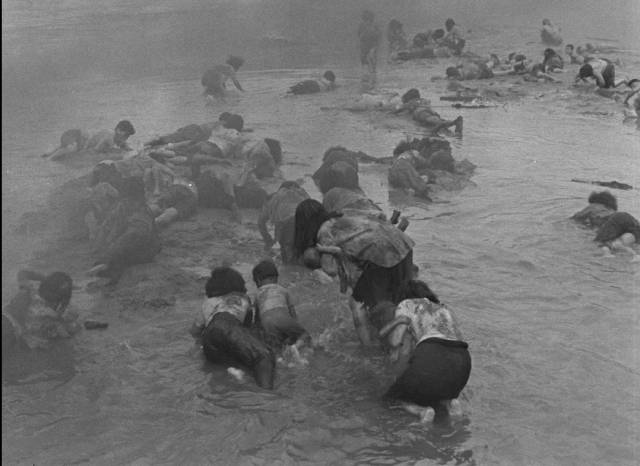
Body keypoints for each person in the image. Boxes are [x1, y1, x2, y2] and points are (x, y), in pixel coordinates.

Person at [293, 199, 415, 346]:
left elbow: (330, 270)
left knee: (358, 303)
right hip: (403, 244)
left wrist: (321, 256)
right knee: (398, 296)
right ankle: (412, 331)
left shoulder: (324, 232)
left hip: (383, 254)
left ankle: (369, 346)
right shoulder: (342, 216)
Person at [378, 298, 471, 422]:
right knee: (440, 391)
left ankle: (421, 411)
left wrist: (397, 321)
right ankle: (451, 405)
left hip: (431, 353)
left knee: (390, 399)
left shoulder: (406, 305)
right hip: (462, 359)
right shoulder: (445, 308)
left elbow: (396, 341)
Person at [189, 266, 276, 389]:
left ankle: (235, 379)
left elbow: (195, 332)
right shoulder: (242, 297)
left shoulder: (207, 302)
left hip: (209, 340)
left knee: (239, 363)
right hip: (227, 325)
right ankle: (268, 395)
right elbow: (247, 329)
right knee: (263, 357)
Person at [89, 177, 161, 284]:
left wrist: (107, 257)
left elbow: (134, 235)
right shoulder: (123, 206)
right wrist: (98, 249)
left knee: (110, 268)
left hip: (144, 250)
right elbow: (106, 227)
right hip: (126, 246)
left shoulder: (140, 211)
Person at [3, 270, 80, 353]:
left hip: (16, 331)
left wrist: (58, 316)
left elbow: (65, 320)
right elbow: (22, 273)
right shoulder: (29, 293)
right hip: (9, 320)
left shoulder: (54, 311)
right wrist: (43, 278)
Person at [250, 260, 310, 355]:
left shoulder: (257, 294)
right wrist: (294, 327)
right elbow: (293, 315)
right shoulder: (284, 290)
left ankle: (281, 358)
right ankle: (296, 347)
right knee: (305, 335)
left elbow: (257, 321)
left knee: (275, 349)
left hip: (267, 322)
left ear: (258, 280)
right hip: (284, 318)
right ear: (277, 277)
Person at [258, 181, 310, 263]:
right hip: (307, 227)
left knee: (288, 260)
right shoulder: (304, 195)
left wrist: (268, 240)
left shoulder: (274, 198)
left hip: (288, 225)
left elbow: (261, 222)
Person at [42, 120, 136, 161]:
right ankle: (50, 158)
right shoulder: (109, 138)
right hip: (81, 137)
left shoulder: (116, 137)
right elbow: (96, 150)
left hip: (83, 135)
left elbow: (124, 145)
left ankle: (48, 154)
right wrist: (113, 152)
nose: (126, 138)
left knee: (64, 147)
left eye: (127, 137)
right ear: (118, 131)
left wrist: (130, 150)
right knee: (68, 150)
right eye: (125, 135)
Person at [394, 89, 463, 136]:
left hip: (420, 113)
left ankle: (441, 124)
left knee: (430, 119)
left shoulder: (411, 102)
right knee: (436, 119)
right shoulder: (424, 100)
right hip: (431, 111)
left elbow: (400, 109)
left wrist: (392, 113)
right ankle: (453, 122)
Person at [358, 10, 382, 86]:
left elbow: (379, 35)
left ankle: (373, 74)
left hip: (373, 45)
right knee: (364, 60)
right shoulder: (361, 25)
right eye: (366, 17)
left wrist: (374, 35)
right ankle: (366, 75)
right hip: (364, 45)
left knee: (372, 59)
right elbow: (359, 34)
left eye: (369, 17)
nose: (367, 19)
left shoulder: (375, 25)